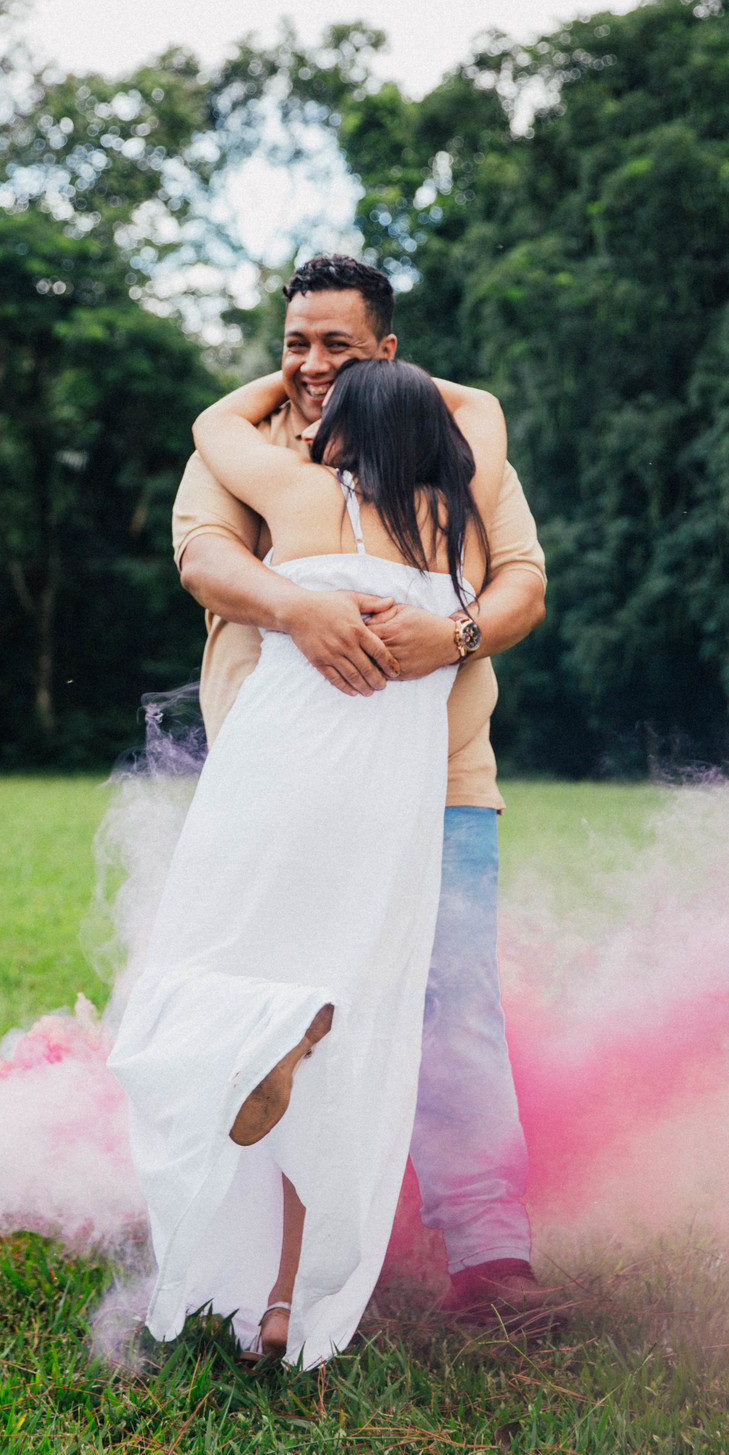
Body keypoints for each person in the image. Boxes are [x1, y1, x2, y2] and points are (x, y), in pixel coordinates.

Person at [171, 255, 554, 1327]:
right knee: (281, 995)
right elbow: (202, 558)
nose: (309, 365)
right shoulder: (269, 455)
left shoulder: (449, 457)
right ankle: (264, 1265)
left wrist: (455, 634)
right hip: (281, 778)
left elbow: (522, 579)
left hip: (443, 780)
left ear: (389, 352)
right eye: (293, 343)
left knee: (449, 1004)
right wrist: (300, 609)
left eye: (337, 346)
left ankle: (488, 1253)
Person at [108, 357, 508, 1367]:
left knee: (201, 960)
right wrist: (394, 375)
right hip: (391, 799)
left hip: (274, 770)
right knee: (348, 1013)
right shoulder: (459, 523)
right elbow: (482, 408)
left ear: (342, 433)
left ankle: (256, 1047)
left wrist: (291, 375)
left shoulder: (298, 491)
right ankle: (285, 1299)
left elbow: (213, 423)